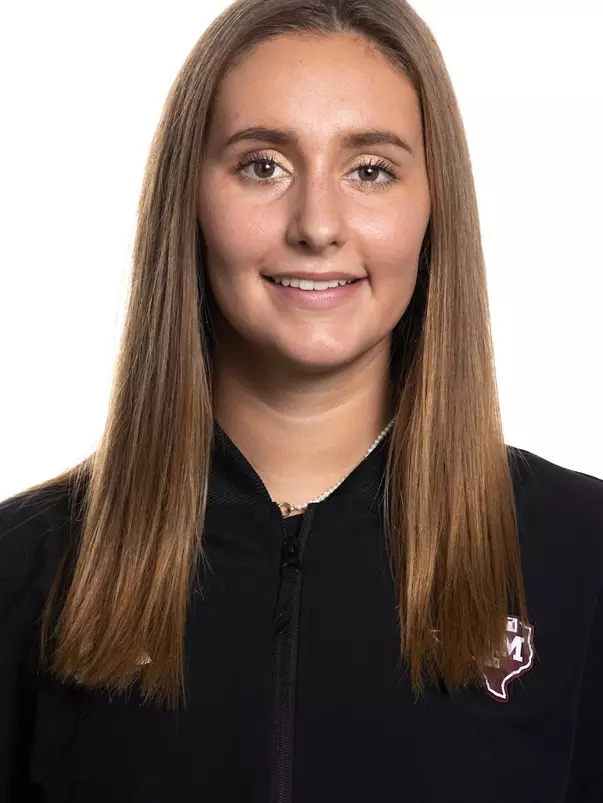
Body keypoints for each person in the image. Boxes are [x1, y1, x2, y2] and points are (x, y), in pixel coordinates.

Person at [0, 0, 601, 800]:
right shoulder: (24, 571)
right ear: (191, 200)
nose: (317, 224)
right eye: (262, 165)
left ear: (433, 205)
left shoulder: (582, 557)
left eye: (370, 170)